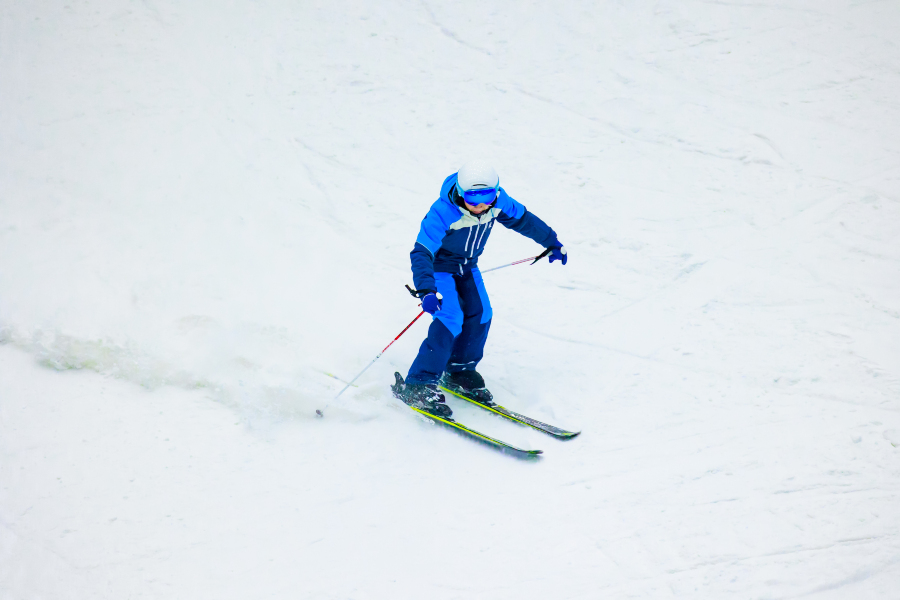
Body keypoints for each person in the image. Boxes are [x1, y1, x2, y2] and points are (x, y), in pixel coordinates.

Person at [391, 160, 567, 417]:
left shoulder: (498, 202)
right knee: (450, 318)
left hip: (468, 266)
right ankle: (419, 383)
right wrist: (427, 289)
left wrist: (551, 241)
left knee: (481, 314)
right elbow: (421, 252)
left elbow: (524, 220)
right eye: (474, 198)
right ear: (461, 194)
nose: (481, 205)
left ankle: (459, 370)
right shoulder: (443, 212)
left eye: (488, 196)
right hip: (439, 268)